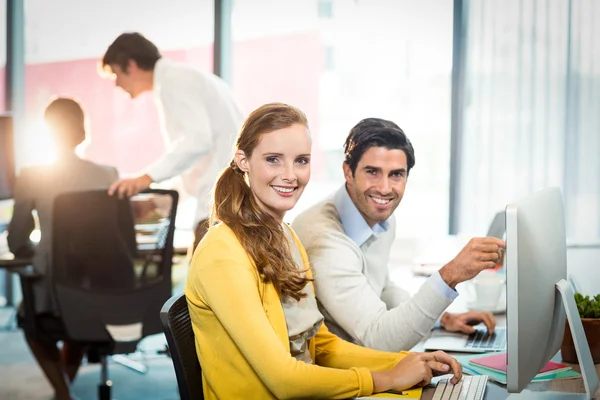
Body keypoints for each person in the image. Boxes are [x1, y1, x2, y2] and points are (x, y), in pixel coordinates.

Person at [184, 103, 462, 399]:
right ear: (243, 161)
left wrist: (403, 361)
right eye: (273, 160)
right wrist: (384, 378)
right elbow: (283, 379)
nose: (290, 175)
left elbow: (321, 345)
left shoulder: (284, 235)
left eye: (301, 161)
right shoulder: (222, 253)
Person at [292, 118, 505, 352]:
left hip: (361, 361)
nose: (384, 189)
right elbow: (380, 338)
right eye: (372, 172)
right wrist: (450, 275)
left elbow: (382, 289)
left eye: (396, 175)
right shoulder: (325, 240)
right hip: (336, 372)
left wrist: (441, 319)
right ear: (348, 172)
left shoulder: (379, 215)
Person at [8, 97, 119, 400]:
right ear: (82, 131)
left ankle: (62, 392)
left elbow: (16, 240)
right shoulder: (108, 174)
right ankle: (63, 392)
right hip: (97, 289)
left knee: (29, 322)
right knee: (79, 317)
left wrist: (37, 250)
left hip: (53, 293)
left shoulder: (32, 176)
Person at [100, 32, 244, 251]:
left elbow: (197, 141)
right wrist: (156, 203)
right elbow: (194, 164)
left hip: (221, 209)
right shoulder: (182, 79)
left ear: (131, 65)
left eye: (116, 74)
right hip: (226, 203)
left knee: (203, 279)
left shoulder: (174, 82)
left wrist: (146, 178)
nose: (117, 84)